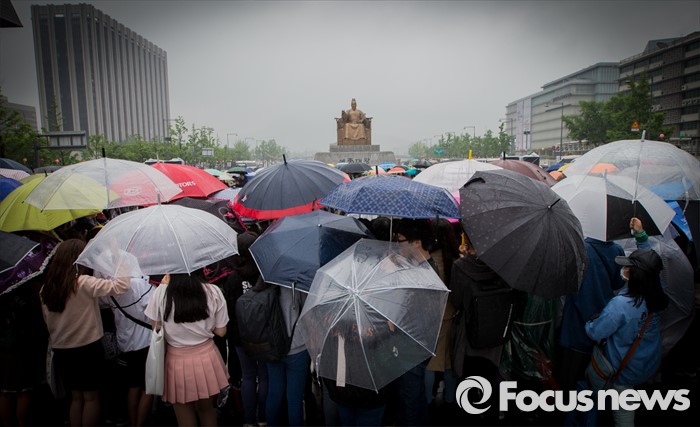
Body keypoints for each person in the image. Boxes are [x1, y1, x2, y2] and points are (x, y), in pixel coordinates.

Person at [585, 219, 669, 426]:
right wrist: (641, 236)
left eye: (629, 267)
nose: (625, 269)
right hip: (646, 362)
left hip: (623, 371)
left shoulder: (621, 305)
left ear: (636, 276)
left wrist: (590, 322)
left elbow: (595, 333)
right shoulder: (657, 293)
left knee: (624, 418)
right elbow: (652, 265)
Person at [39, 239, 130, 427]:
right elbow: (121, 285)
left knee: (76, 397)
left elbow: (47, 322)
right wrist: (117, 255)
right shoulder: (83, 283)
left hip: (62, 350)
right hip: (88, 348)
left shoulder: (46, 289)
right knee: (91, 398)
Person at [448, 232, 518, 425]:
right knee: (490, 375)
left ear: (468, 242)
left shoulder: (460, 267)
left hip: (469, 335)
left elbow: (456, 301)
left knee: (467, 383)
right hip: (496, 332)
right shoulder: (504, 265)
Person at [145, 270, 229, 427]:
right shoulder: (213, 291)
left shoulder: (161, 293)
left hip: (176, 361)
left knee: (184, 416)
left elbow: (156, 327)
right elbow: (221, 331)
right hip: (206, 358)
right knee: (207, 411)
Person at [556, 237, 626, 392]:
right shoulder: (617, 250)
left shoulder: (579, 249)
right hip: (603, 317)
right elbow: (618, 282)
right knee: (592, 372)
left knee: (569, 374)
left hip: (575, 322)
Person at [222, 231, 268, 427]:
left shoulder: (232, 278)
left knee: (248, 376)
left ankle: (248, 420)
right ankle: (263, 418)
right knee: (264, 377)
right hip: (263, 335)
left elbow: (229, 311)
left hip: (240, 337)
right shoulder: (264, 273)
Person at [99, 275, 154, 427]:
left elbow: (102, 303)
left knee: (133, 385)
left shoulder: (111, 285)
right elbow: (153, 306)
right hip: (145, 341)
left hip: (126, 341)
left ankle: (133, 421)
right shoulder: (140, 283)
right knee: (148, 387)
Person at [265, 281, 309, 427]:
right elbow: (308, 312)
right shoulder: (298, 283)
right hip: (297, 347)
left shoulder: (265, 283)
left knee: (274, 393)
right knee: (295, 397)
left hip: (272, 348)